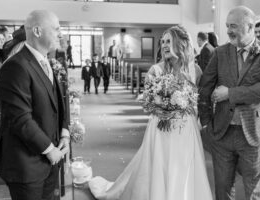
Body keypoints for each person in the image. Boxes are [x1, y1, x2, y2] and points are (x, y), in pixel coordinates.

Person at [89, 25, 212, 200]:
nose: (164, 46)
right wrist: (164, 106)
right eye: (163, 42)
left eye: (169, 41)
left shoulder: (195, 70)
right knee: (160, 165)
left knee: (183, 165)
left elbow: (198, 100)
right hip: (161, 127)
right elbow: (147, 104)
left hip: (186, 128)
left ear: (181, 43)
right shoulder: (156, 70)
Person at [199, 6, 260, 200]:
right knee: (223, 189)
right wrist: (205, 122)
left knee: (254, 190)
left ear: (250, 26)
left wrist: (230, 93)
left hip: (254, 133)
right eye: (227, 26)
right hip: (222, 132)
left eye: (233, 26)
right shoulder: (220, 53)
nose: (228, 31)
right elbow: (205, 88)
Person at [0, 10, 70, 200]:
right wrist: (50, 149)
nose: (60, 34)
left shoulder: (44, 61)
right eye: (56, 29)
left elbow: (57, 101)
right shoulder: (16, 66)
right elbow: (20, 119)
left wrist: (64, 131)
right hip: (26, 165)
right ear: (37, 31)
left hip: (48, 161)